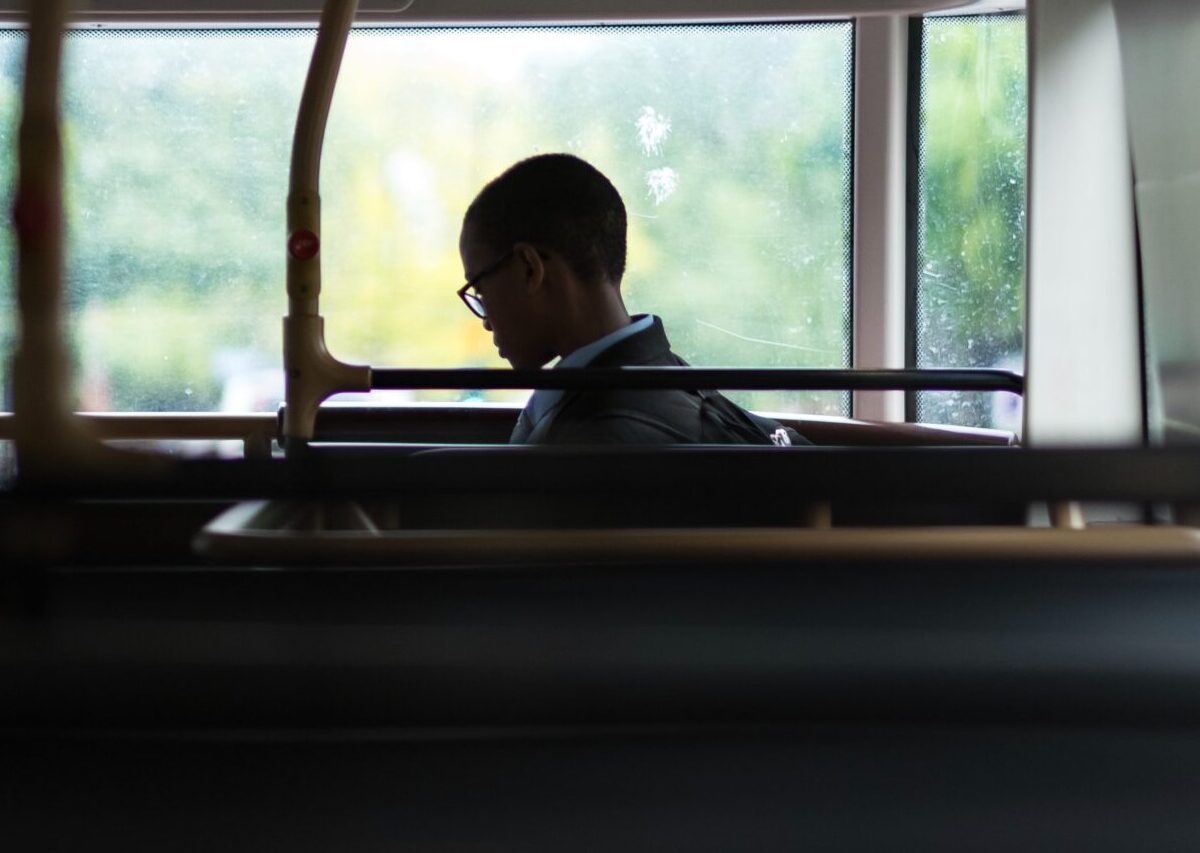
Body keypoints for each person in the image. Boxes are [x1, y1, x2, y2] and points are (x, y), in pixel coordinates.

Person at [457, 153, 808, 446]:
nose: (485, 319)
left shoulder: (589, 442)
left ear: (530, 269)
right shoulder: (673, 380)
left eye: (481, 289)